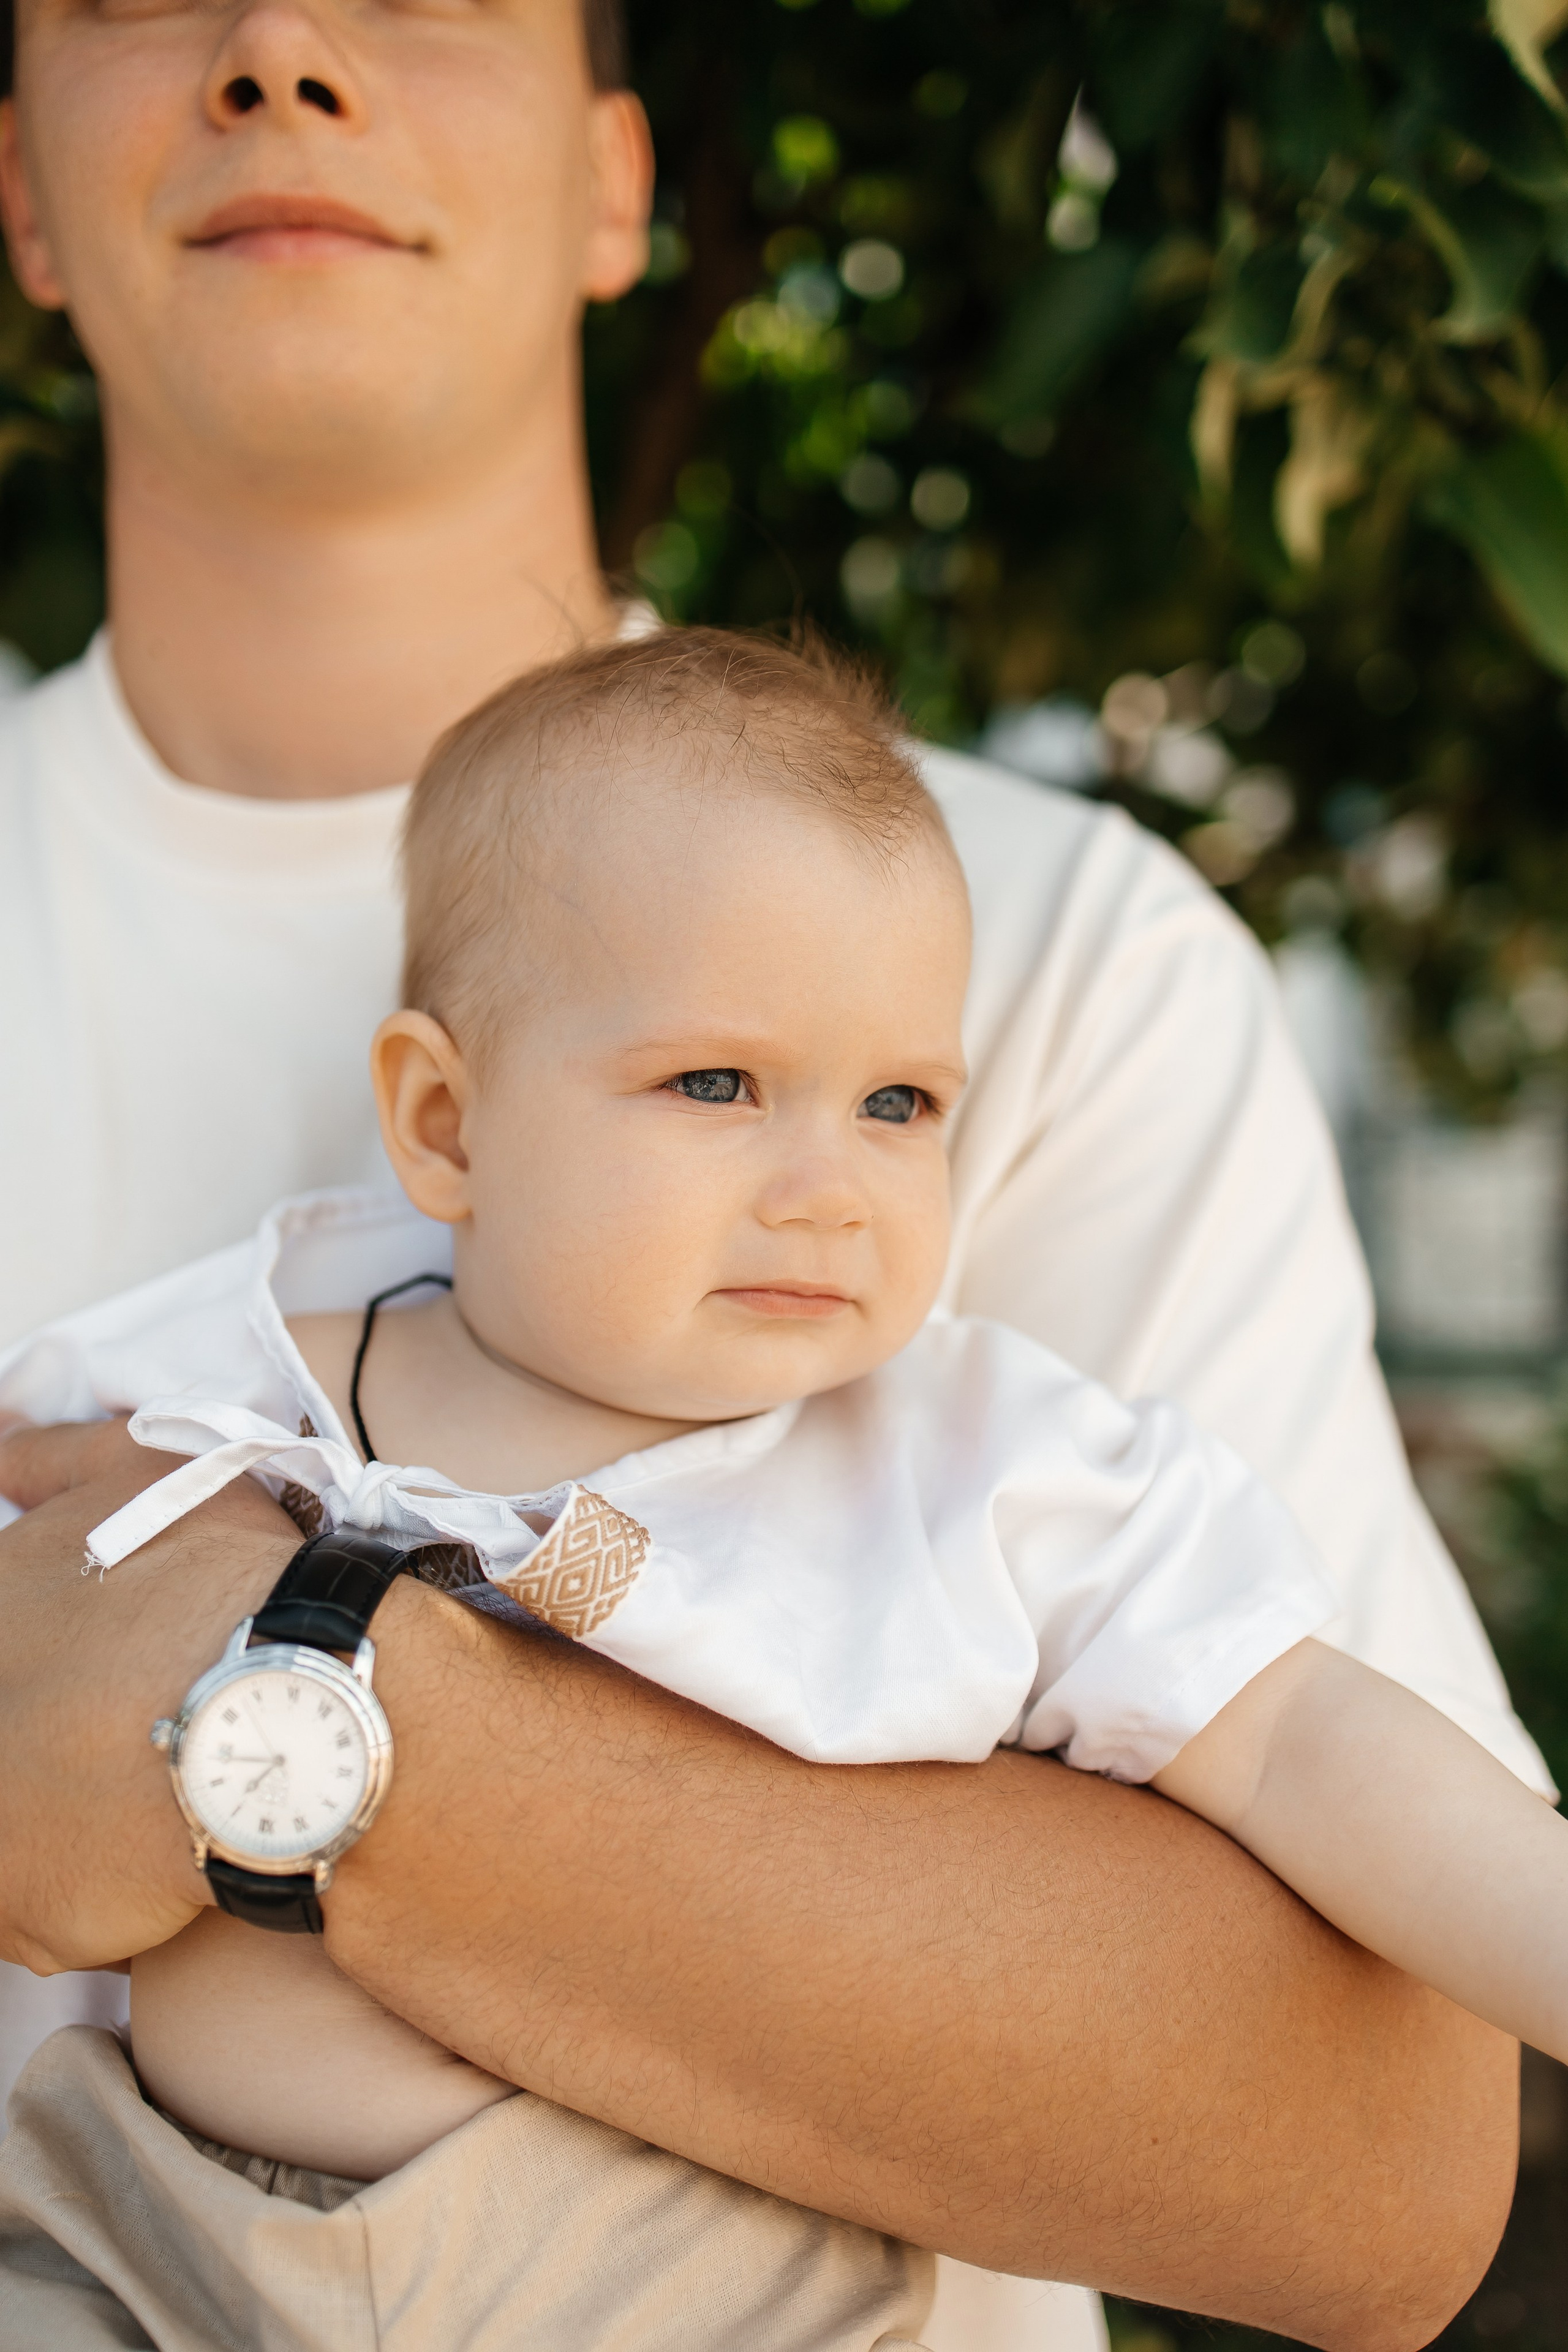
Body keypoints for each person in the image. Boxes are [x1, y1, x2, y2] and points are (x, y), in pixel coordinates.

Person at [0, 3, 1531, 2346]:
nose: (282, 47)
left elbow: (1383, 2168)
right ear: (17, 181)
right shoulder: (274, 1326)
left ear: (625, 178)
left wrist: (278, 1689)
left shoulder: (1058, 964)